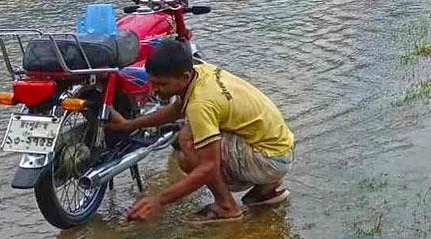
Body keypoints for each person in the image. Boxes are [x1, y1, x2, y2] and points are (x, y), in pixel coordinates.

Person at [107, 39, 295, 223]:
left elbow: (208, 167)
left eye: (162, 84)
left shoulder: (201, 103)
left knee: (187, 142)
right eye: (152, 83)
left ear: (185, 78)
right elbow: (176, 110)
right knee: (192, 131)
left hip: (270, 159)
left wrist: (159, 200)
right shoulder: (201, 71)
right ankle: (267, 188)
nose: (155, 90)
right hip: (279, 148)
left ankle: (227, 207)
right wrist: (129, 125)